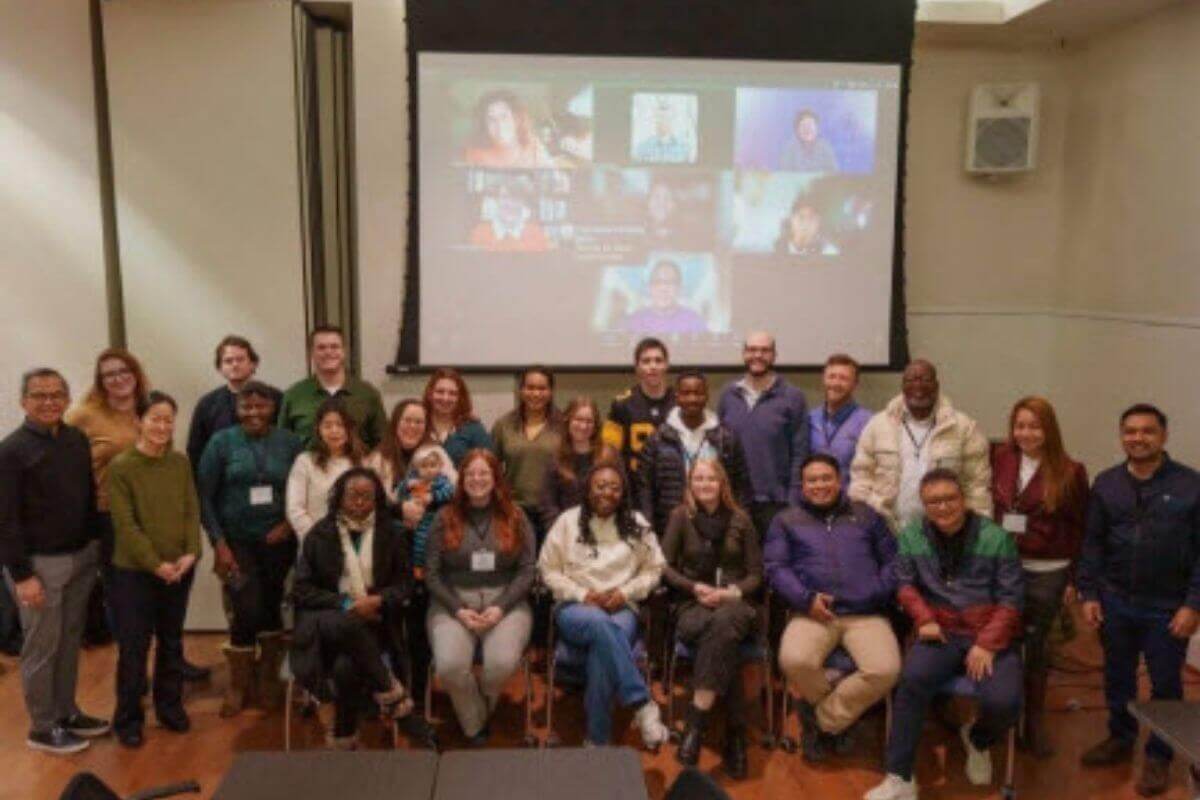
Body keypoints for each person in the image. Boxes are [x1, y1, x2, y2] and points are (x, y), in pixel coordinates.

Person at [866, 470, 1023, 800]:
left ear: (963, 499)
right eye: (933, 502)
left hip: (988, 635)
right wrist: (923, 619)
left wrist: (987, 643)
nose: (943, 507)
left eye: (950, 499)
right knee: (911, 683)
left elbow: (1011, 599)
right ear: (924, 506)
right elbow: (905, 585)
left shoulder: (996, 537)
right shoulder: (912, 537)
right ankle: (900, 777)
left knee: (1004, 701)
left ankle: (977, 739)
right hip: (940, 632)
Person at [1077, 404, 1200, 797]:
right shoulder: (1106, 483)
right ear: (1121, 435)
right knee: (1118, 677)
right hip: (1116, 601)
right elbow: (1092, 543)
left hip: (1168, 607)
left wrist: (1193, 604)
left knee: (1165, 683)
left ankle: (1160, 755)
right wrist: (1089, 592)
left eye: (1147, 431)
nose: (1138, 438)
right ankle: (1120, 737)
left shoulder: (1191, 486)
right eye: (1130, 431)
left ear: (1163, 437)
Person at [0, 368, 111, 754]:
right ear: (23, 402)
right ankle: (42, 727)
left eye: (56, 395)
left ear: (66, 399)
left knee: (68, 641)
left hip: (80, 557)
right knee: (41, 647)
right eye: (39, 395)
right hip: (39, 565)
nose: (48, 402)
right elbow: (5, 519)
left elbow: (85, 497)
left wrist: (96, 548)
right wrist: (22, 575)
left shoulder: (76, 439)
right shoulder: (11, 450)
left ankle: (67, 712)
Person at [290, 468, 437, 750]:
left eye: (366, 496)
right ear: (339, 497)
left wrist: (379, 600)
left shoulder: (391, 534)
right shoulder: (319, 535)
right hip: (326, 624)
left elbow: (405, 584)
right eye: (352, 495)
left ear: (377, 499)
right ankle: (397, 703)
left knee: (346, 668)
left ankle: (344, 740)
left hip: (378, 622)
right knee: (347, 621)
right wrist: (346, 604)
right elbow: (302, 589)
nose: (359, 502)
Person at [767, 454, 899, 764]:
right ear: (803, 485)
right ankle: (838, 722)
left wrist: (873, 592)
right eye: (812, 480)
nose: (820, 485)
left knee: (886, 669)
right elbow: (776, 567)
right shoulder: (787, 520)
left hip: (866, 613)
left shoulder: (867, 515)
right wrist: (805, 599)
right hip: (812, 612)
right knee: (793, 659)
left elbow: (895, 563)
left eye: (826, 478)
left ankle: (821, 720)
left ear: (839, 481)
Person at [538, 462, 669, 748]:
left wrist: (624, 592)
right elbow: (547, 570)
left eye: (614, 487)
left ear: (623, 493)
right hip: (574, 608)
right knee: (600, 625)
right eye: (600, 486)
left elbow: (654, 569)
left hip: (621, 607)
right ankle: (642, 703)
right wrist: (583, 595)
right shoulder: (567, 522)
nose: (606, 493)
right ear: (588, 489)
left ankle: (597, 741)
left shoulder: (637, 524)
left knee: (604, 647)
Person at [197, 380, 303, 716]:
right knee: (246, 606)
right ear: (238, 409)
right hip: (236, 542)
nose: (254, 412)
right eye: (247, 406)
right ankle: (238, 684)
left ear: (273, 408)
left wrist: (288, 524)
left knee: (271, 605)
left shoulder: (290, 442)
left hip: (279, 540)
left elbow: (302, 488)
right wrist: (218, 543)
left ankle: (269, 678)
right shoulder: (221, 442)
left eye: (262, 406)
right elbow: (204, 496)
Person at [991, 396, 1089, 759]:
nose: (1026, 433)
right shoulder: (1000, 458)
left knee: (1036, 649)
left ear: (1049, 429)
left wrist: (1075, 579)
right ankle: (1002, 713)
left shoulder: (1070, 470)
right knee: (1002, 640)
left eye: (1034, 426)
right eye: (1020, 425)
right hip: (1004, 568)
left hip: (1048, 571)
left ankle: (1033, 721)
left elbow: (1081, 527)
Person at [107, 391, 200, 748]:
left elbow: (192, 510)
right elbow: (126, 525)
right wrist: (155, 564)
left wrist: (191, 552)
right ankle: (129, 719)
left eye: (167, 419)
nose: (162, 426)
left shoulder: (179, 462)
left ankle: (169, 707)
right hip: (134, 573)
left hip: (179, 568)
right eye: (154, 419)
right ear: (138, 422)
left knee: (172, 642)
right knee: (134, 647)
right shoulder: (121, 467)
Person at [425, 450, 536, 744]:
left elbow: (527, 571)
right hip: (453, 601)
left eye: (484, 473)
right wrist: (458, 609)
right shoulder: (444, 517)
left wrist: (500, 608)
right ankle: (475, 721)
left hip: (506, 601)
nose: (477, 479)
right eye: (470, 474)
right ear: (461, 480)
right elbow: (432, 574)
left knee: (500, 664)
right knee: (448, 667)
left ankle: (479, 701)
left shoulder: (516, 516)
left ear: (495, 478)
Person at [661, 459, 762, 778]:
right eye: (698, 479)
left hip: (733, 604)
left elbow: (757, 574)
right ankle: (735, 734)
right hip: (692, 606)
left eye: (711, 479)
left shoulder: (741, 519)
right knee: (724, 636)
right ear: (690, 484)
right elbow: (662, 567)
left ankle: (695, 724)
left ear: (722, 484)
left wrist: (733, 593)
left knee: (725, 624)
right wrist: (693, 587)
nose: (704, 484)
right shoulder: (681, 517)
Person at [849, 359, 992, 532]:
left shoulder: (964, 428)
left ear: (937, 385)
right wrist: (867, 516)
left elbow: (976, 486)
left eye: (925, 379)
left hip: (944, 534)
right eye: (911, 380)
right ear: (903, 386)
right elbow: (861, 476)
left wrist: (978, 532)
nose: (918, 386)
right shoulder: (877, 425)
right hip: (886, 531)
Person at [717, 331, 810, 537]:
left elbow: (800, 452)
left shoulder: (793, 397)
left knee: (773, 564)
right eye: (752, 350)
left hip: (776, 503)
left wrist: (794, 500)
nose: (757, 355)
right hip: (734, 501)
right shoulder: (728, 395)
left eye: (764, 350)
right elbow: (719, 449)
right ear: (743, 354)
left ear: (774, 355)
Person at [637, 371, 751, 537]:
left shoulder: (725, 439)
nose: (692, 399)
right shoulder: (657, 439)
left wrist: (738, 526)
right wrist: (649, 528)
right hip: (669, 528)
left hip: (718, 528)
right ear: (677, 397)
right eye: (686, 393)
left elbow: (741, 486)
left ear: (707, 396)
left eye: (698, 393)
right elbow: (644, 489)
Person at [279, 326, 387, 450]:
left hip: (358, 467)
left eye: (334, 347)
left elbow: (382, 442)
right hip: (308, 467)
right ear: (311, 353)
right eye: (321, 347)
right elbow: (282, 445)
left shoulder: (367, 394)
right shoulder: (294, 395)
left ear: (344, 351)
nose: (328, 352)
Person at [186, 335, 282, 471]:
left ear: (253, 364)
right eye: (228, 361)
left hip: (269, 477)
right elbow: (195, 450)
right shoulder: (207, 404)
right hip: (222, 483)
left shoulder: (276, 398)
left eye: (240, 359)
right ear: (220, 367)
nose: (235, 364)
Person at [491, 366, 562, 539]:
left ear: (551, 391)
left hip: (554, 512)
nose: (536, 394)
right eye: (530, 387)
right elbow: (491, 468)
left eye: (542, 388)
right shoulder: (503, 425)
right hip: (515, 511)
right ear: (521, 390)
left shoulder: (564, 424)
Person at [286, 399, 366, 542]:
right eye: (327, 425)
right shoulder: (305, 462)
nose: (334, 431)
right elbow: (295, 509)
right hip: (315, 544)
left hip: (355, 543)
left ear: (349, 429)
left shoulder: (362, 463)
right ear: (319, 430)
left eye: (340, 425)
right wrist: (317, 539)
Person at [540, 396, 620, 532]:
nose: (583, 426)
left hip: (605, 531)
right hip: (565, 533)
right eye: (578, 420)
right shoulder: (555, 457)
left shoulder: (610, 455)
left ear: (596, 425)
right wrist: (561, 532)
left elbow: (622, 497)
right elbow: (548, 504)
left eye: (589, 421)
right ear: (568, 421)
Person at [602, 337, 674, 475]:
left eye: (658, 361)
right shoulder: (621, 404)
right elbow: (609, 451)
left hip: (670, 485)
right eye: (646, 361)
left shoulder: (679, 403)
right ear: (637, 367)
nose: (652, 366)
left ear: (666, 365)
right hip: (634, 485)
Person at [809, 354, 873, 486]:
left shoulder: (869, 422)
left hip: (851, 501)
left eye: (843, 378)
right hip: (814, 499)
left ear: (855, 384)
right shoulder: (809, 419)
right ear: (823, 379)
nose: (836, 383)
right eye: (831, 377)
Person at [397, 445, 456, 575]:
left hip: (431, 520)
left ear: (440, 466)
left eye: (432, 465)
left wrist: (433, 496)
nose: (429, 470)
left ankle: (423, 568)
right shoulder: (413, 480)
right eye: (424, 466)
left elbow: (450, 492)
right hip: (410, 519)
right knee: (404, 541)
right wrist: (406, 485)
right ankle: (411, 568)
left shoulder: (442, 481)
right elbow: (399, 493)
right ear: (417, 468)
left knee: (423, 542)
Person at [462, 89, 553, 169]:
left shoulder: (534, 146)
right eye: (491, 120)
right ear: (484, 125)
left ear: (517, 119)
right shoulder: (475, 151)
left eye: (504, 117)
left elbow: (557, 181)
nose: (499, 125)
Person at [422, 368, 494, 468]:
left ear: (460, 398)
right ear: (430, 394)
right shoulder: (419, 424)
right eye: (440, 392)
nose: (445, 398)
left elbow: (490, 466)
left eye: (452, 393)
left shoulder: (474, 429)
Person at [621, 260, 708, 335]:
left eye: (670, 282)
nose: (663, 288)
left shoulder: (694, 321)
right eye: (658, 282)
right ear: (649, 287)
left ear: (679, 288)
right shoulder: (634, 322)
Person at [775, 197, 839, 257]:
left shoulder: (829, 252)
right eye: (801, 217)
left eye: (811, 218)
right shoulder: (774, 248)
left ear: (818, 223)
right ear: (791, 219)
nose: (806, 224)